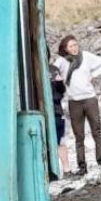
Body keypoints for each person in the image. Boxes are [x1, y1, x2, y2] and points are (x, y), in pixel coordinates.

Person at [54, 34, 101, 176]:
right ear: (65, 49)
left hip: (89, 99)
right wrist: (57, 79)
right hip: (74, 102)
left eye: (75, 45)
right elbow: (51, 70)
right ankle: (82, 167)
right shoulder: (62, 61)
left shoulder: (86, 56)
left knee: (97, 132)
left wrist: (93, 75)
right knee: (79, 136)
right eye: (71, 46)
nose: (74, 48)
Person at [46, 42, 71, 175]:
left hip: (55, 110)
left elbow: (62, 90)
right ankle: (55, 169)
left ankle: (66, 169)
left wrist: (59, 82)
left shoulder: (53, 69)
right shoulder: (51, 69)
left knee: (59, 141)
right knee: (54, 141)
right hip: (49, 111)